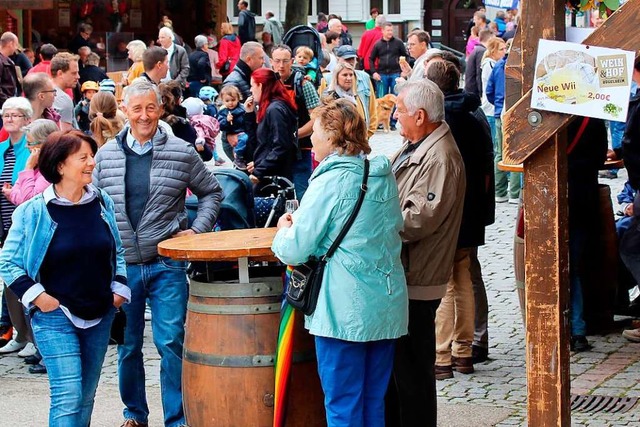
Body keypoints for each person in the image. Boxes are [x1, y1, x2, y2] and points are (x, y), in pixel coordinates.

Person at [93, 79, 222, 427]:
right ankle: (134, 414)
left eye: (151, 108)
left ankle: (177, 419)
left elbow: (212, 193)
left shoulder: (181, 151)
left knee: (170, 342)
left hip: (167, 264)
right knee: (128, 346)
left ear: (161, 109)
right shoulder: (105, 156)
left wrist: (196, 231)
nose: (145, 115)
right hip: (123, 268)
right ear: (125, 110)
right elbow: (94, 208)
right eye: (137, 109)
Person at [272, 98, 409, 426]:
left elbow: (295, 249)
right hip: (384, 303)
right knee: (373, 402)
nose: (311, 140)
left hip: (343, 308)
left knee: (342, 405)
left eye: (316, 132)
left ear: (334, 137)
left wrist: (282, 230)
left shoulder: (330, 180)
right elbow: (392, 229)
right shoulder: (380, 173)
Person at [0, 129, 130, 426]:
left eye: (92, 157)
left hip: (100, 312)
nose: (91, 163)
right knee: (68, 394)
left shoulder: (102, 202)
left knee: (85, 394)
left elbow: (117, 250)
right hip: (54, 316)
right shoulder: (33, 211)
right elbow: (8, 262)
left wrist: (119, 289)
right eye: (83, 157)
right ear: (60, 165)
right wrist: (40, 298)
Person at [386, 79, 466, 427]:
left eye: (400, 111)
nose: (395, 117)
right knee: (403, 368)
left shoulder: (439, 157)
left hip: (417, 276)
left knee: (413, 371)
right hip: (407, 273)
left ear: (420, 116)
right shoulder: (417, 146)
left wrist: (373, 226)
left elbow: (417, 220)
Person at [426, 60, 494, 378]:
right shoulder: (474, 112)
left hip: (451, 208)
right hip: (472, 208)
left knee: (446, 282)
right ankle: (465, 351)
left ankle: (443, 354)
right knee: (464, 277)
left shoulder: (444, 120)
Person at [0, 97, 33, 353]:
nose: (10, 119)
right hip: (3, 220)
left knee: (25, 276)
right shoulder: (1, 149)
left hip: (23, 219)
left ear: (27, 120)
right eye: (6, 115)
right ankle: (17, 331)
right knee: (8, 278)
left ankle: (29, 335)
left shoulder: (30, 150)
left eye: (15, 115)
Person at [271, 44, 321, 200]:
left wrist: (294, 135)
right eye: (277, 61)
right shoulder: (267, 84)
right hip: (274, 152)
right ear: (271, 61)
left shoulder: (303, 85)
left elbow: (316, 118)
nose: (281, 65)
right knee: (274, 195)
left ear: (292, 61)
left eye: (285, 61)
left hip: (300, 150)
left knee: (303, 196)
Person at [244, 68, 298, 186]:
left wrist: (260, 170)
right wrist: (249, 114)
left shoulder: (274, 109)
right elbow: (262, 142)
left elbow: (281, 145)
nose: (251, 90)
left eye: (252, 85)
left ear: (261, 86)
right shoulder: (270, 107)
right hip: (269, 172)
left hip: (273, 177)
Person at [486, 40, 520, 203]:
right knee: (515, 153)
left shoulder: (498, 66)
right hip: (515, 113)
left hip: (501, 112)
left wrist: (498, 105)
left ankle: (499, 192)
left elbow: (489, 91)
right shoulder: (519, 67)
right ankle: (514, 193)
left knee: (500, 152)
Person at [323, 62, 377, 138]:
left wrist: (366, 135)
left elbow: (370, 113)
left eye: (351, 75)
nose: (348, 78)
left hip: (357, 140)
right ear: (336, 77)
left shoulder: (356, 95)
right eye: (345, 75)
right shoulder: (328, 96)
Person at [370, 23, 408, 99]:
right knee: (381, 98)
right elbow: (371, 59)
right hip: (382, 74)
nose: (390, 32)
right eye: (388, 30)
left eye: (391, 30)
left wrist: (404, 71)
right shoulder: (378, 44)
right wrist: (374, 72)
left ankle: (396, 110)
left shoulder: (398, 42)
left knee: (397, 96)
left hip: (396, 73)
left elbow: (406, 56)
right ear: (383, 31)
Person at [217, 85, 247, 169]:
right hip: (231, 135)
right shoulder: (223, 112)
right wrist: (226, 120)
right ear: (223, 101)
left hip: (242, 132)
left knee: (245, 138)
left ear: (238, 98)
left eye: (233, 100)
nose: (230, 103)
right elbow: (220, 126)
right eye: (227, 101)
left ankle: (239, 156)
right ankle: (238, 157)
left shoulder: (243, 109)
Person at [51, 52, 80, 131]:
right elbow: (65, 136)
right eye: (74, 73)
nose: (78, 76)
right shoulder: (63, 99)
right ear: (60, 73)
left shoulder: (44, 92)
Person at [465, 28, 493, 98]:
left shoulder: (477, 49)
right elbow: (479, 73)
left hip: (471, 91)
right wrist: (482, 94)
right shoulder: (482, 51)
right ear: (490, 39)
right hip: (474, 93)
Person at [357, 15, 385, 81]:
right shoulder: (384, 35)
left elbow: (360, 53)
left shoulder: (366, 33)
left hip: (367, 65)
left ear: (375, 23)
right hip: (380, 66)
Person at [0, 32, 19, 117]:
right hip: (3, 106)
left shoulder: (8, 60)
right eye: (16, 45)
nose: (16, 48)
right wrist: (7, 102)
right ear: (11, 44)